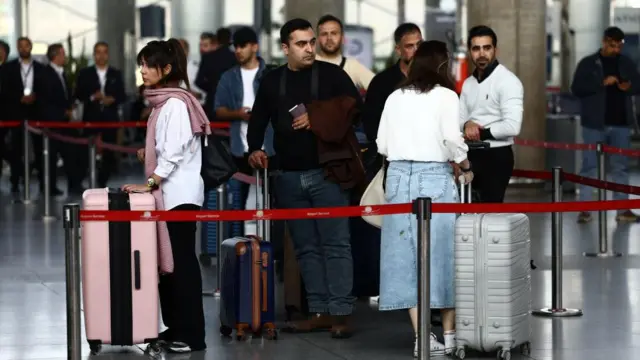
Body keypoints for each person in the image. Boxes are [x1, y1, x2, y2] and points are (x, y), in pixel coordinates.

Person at [246, 18, 362, 339]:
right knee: (306, 248)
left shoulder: (332, 75)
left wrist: (319, 117)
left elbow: (356, 108)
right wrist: (254, 149)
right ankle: (320, 310)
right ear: (285, 48)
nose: (310, 48)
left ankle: (340, 312)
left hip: (327, 174)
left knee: (336, 244)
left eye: (311, 42)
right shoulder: (272, 82)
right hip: (287, 176)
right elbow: (257, 122)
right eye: (301, 44)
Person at [376, 40, 472, 358]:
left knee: (405, 260)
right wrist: (465, 164)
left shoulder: (394, 97)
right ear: (442, 65)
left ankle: (422, 337)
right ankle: (451, 335)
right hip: (434, 177)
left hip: (399, 178)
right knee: (444, 256)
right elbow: (452, 140)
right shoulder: (446, 96)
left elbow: (382, 144)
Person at [122, 38, 210, 354]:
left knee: (182, 265)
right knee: (171, 266)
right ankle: (176, 329)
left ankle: (190, 335)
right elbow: (169, 148)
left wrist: (151, 180)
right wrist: (150, 155)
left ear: (166, 68)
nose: (143, 71)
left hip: (178, 195)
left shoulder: (174, 104)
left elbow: (174, 151)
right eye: (141, 65)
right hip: (170, 193)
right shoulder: (163, 103)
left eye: (148, 65)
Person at [571, 26, 640, 223]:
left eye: (619, 46)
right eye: (612, 45)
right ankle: (585, 209)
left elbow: (638, 84)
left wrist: (629, 86)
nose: (616, 49)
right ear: (604, 42)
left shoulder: (626, 63)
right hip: (594, 124)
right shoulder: (588, 63)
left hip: (620, 124)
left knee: (621, 167)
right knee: (589, 166)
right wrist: (601, 83)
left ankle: (622, 210)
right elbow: (577, 88)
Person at [214, 26, 275, 232]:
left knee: (274, 203)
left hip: (269, 148)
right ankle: (237, 249)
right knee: (236, 204)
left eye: (243, 46)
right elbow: (219, 110)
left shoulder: (270, 75)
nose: (238, 50)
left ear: (255, 47)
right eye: (236, 46)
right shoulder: (228, 77)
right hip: (239, 150)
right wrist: (239, 114)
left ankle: (272, 250)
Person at [459, 25, 523, 203]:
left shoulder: (508, 82)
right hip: (469, 154)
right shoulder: (468, 83)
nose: (481, 54)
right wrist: (466, 125)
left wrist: (478, 132)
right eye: (476, 48)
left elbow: (512, 126)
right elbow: (459, 119)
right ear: (470, 51)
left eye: (487, 48)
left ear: (496, 49)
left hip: (496, 156)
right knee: (466, 217)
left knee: (490, 216)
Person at [362, 23, 423, 165]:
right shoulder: (381, 82)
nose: (416, 50)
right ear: (398, 50)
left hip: (426, 157)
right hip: (392, 159)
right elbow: (371, 127)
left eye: (419, 44)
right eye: (409, 46)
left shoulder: (432, 80)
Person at [74, 41, 126, 190]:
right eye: (98, 52)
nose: (101, 55)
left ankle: (102, 181)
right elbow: (78, 94)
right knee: (85, 151)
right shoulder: (85, 73)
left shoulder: (116, 73)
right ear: (94, 54)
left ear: (108, 54)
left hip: (110, 118)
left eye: (104, 52)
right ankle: (83, 179)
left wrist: (113, 99)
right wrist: (92, 97)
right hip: (91, 118)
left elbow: (122, 95)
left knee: (109, 152)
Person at [316, 14, 374, 91]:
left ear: (343, 38)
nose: (329, 38)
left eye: (334, 33)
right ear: (317, 40)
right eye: (324, 34)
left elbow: (379, 86)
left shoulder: (352, 66)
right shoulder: (307, 64)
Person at [195, 27, 237, 119]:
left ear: (217, 39)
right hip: (232, 105)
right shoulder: (236, 58)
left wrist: (212, 88)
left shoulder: (208, 57)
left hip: (212, 103)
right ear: (230, 40)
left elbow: (198, 81)